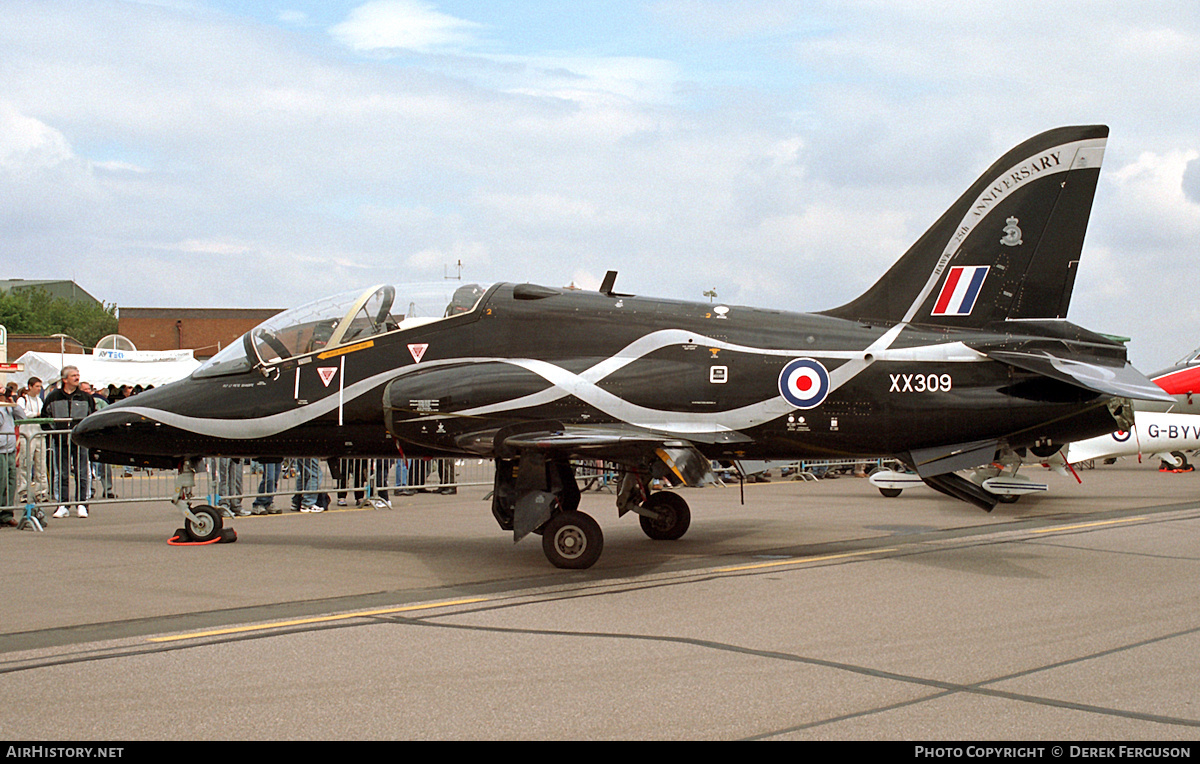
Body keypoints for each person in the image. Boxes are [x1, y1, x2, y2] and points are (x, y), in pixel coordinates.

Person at [42, 365, 96, 518]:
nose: (77, 378)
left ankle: (82, 504)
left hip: (80, 441)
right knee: (61, 473)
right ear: (65, 379)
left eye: (78, 375)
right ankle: (63, 504)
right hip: (60, 441)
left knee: (82, 472)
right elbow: (44, 417)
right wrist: (53, 433)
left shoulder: (85, 397)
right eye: (73, 375)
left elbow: (92, 416)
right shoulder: (53, 397)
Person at [15, 378, 46, 503]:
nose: (39, 389)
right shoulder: (22, 400)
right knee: (25, 464)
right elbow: (22, 414)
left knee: (41, 465)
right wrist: (37, 414)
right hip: (26, 436)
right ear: (30, 386)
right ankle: (24, 491)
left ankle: (41, 491)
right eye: (37, 386)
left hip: (39, 434)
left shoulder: (39, 400)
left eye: (40, 386)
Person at [0, 390, 28, 527]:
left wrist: (14, 405)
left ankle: (7, 514)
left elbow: (23, 418)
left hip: (10, 449)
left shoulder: (9, 407)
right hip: (0, 450)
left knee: (11, 482)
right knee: (1, 482)